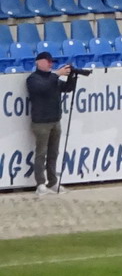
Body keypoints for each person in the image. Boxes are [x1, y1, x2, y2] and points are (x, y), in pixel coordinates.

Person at [26, 52, 75, 196]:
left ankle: (53, 181)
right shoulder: (33, 79)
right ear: (38, 62)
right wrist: (57, 74)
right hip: (41, 123)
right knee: (41, 153)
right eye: (47, 61)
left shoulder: (53, 79)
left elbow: (67, 88)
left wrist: (71, 76)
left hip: (55, 120)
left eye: (51, 61)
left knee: (54, 153)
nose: (50, 64)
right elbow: (42, 88)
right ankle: (40, 183)